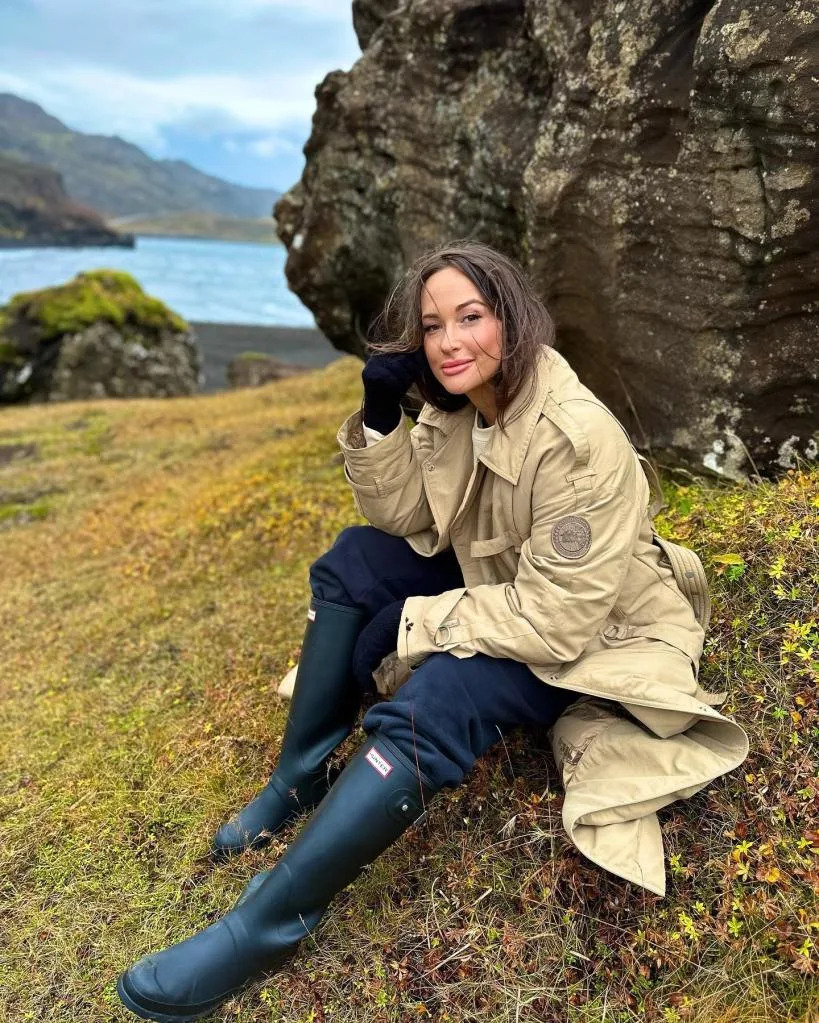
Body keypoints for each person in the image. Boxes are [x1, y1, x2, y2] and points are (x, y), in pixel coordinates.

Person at [117, 241, 747, 1022]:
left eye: (470, 317)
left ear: (511, 319)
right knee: (352, 563)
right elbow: (408, 518)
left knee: (443, 691)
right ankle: (296, 780)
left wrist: (415, 623)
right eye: (432, 324)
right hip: (505, 582)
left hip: (596, 634)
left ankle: (269, 924)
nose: (449, 341)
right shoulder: (462, 404)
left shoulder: (576, 439)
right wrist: (383, 420)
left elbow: (556, 621)